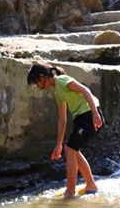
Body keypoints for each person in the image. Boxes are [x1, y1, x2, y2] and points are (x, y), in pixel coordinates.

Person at [27, 61, 104, 198]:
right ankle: (90, 185)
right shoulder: (58, 91)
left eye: (37, 84)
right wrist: (58, 145)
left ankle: (70, 191)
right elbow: (62, 119)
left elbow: (85, 90)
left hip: (88, 115)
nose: (38, 87)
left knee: (70, 150)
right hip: (81, 118)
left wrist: (95, 114)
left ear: (42, 77)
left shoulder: (62, 80)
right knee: (73, 150)